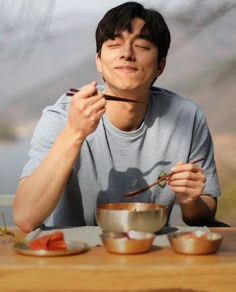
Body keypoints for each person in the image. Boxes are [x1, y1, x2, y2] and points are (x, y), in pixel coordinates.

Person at [13, 1, 221, 232]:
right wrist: (74, 132)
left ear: (160, 65)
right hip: (72, 256)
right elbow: (25, 218)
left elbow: (204, 212)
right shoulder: (62, 116)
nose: (127, 54)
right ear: (98, 62)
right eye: (114, 44)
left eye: (141, 46)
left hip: (151, 252)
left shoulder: (186, 118)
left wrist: (190, 201)